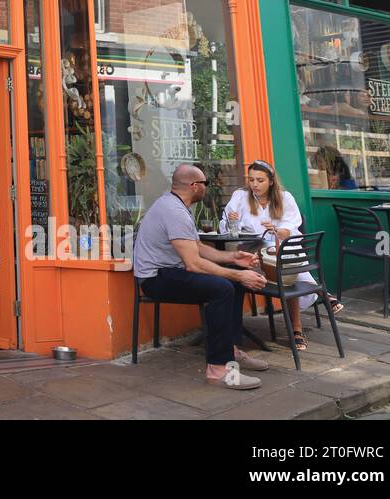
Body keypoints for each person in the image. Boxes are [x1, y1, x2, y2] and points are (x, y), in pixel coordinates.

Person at [133, 164, 269, 389]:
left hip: (171, 272)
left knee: (232, 286)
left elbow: (197, 247)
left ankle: (231, 349)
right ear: (195, 186)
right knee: (223, 288)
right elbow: (194, 263)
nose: (208, 187)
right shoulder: (173, 211)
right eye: (205, 183)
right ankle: (218, 368)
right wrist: (239, 275)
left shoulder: (178, 206)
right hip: (155, 279)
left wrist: (234, 258)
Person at [225, 160, 343, 353]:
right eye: (252, 180)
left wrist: (276, 230)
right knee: (282, 259)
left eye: (260, 180)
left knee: (285, 263)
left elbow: (290, 227)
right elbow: (227, 229)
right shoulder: (240, 197)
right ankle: (320, 293)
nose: (255, 184)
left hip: (281, 253)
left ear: (271, 181)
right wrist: (232, 221)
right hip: (252, 254)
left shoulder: (284, 197)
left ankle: (297, 328)